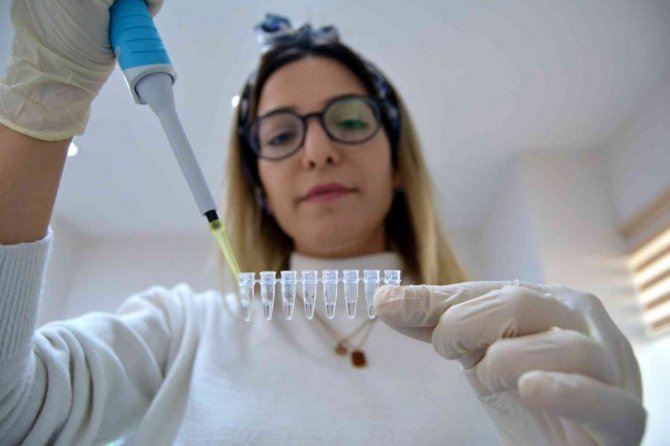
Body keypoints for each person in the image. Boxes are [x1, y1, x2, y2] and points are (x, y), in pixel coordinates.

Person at [0, 2, 646, 445]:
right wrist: (43, 100)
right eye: (281, 134)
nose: (317, 151)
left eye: (350, 120)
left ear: (398, 163)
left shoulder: (497, 340)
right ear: (259, 185)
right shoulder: (180, 330)